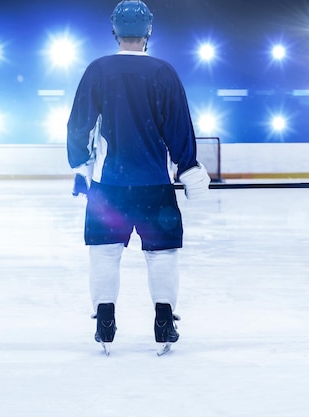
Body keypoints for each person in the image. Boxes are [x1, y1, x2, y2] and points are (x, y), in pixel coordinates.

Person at [66, 0, 210, 355]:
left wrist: (81, 166)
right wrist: (188, 165)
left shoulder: (98, 70)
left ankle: (104, 316)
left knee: (104, 252)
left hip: (108, 185)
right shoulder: (163, 73)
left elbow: (79, 125)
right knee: (162, 254)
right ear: (149, 31)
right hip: (153, 185)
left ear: (114, 31)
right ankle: (164, 319)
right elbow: (177, 127)